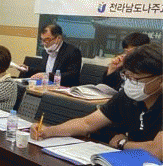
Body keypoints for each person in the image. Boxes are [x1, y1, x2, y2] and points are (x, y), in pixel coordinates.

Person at [31, 43, 162, 151]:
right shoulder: (126, 97)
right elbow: (86, 123)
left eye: (136, 79)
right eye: (127, 76)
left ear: (160, 79)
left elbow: (158, 151)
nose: (131, 83)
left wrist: (122, 143)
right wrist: (48, 131)